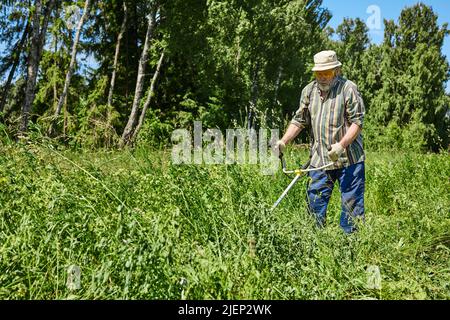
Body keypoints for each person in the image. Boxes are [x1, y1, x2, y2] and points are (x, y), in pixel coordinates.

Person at [275, 50, 365, 234]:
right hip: (320, 161)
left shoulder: (348, 89)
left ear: (336, 71)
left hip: (350, 160)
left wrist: (341, 145)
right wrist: (283, 141)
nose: (322, 77)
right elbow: (299, 120)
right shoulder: (308, 91)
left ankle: (350, 249)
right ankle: (314, 246)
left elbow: (357, 122)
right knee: (315, 207)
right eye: (319, 73)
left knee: (351, 209)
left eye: (327, 73)